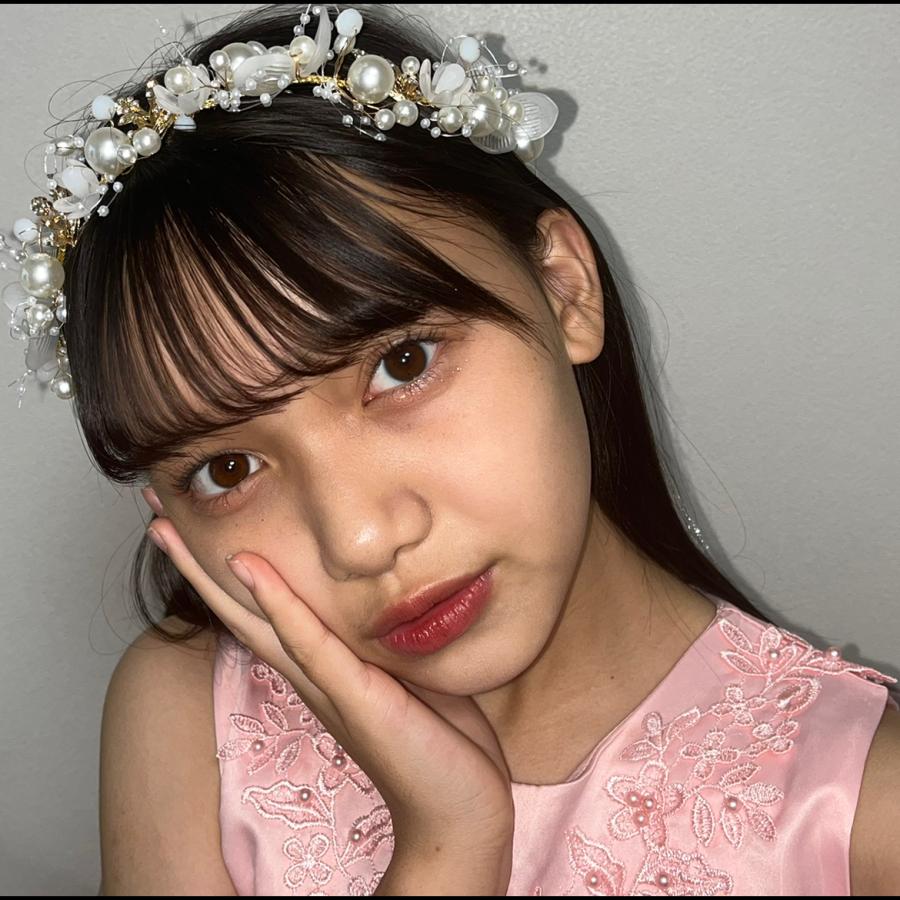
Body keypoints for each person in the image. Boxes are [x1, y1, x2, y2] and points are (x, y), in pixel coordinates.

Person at [5, 3, 898, 896]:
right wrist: (449, 843)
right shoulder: (186, 720)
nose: (362, 540)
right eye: (227, 469)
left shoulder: (866, 814)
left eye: (402, 364)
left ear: (565, 290)